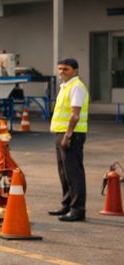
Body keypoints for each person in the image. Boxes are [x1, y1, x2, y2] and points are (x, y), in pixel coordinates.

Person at [48, 57, 89, 222]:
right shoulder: (65, 86)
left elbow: (75, 114)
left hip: (71, 135)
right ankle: (66, 204)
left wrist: (68, 135)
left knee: (74, 173)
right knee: (64, 172)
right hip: (60, 133)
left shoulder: (76, 87)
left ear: (75, 70)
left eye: (65, 69)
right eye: (60, 69)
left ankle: (78, 209)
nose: (61, 72)